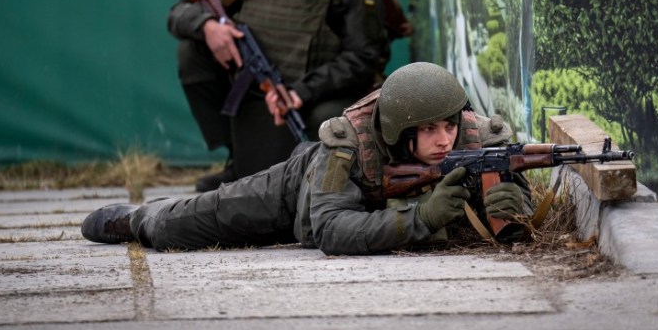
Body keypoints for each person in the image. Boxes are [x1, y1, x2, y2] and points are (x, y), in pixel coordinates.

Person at [81, 62, 532, 255]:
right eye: (428, 130)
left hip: (360, 210)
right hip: (297, 192)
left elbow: (519, 207)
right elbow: (330, 230)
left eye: (448, 126)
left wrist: (513, 208)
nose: (443, 139)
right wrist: (424, 218)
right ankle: (135, 217)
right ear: (399, 131)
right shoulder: (346, 145)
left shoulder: (482, 140)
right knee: (177, 228)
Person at [167, 0, 390, 193]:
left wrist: (302, 91)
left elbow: (362, 59)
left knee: (325, 126)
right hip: (261, 92)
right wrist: (207, 26)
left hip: (317, 96)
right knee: (192, 52)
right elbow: (178, 12)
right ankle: (236, 159)